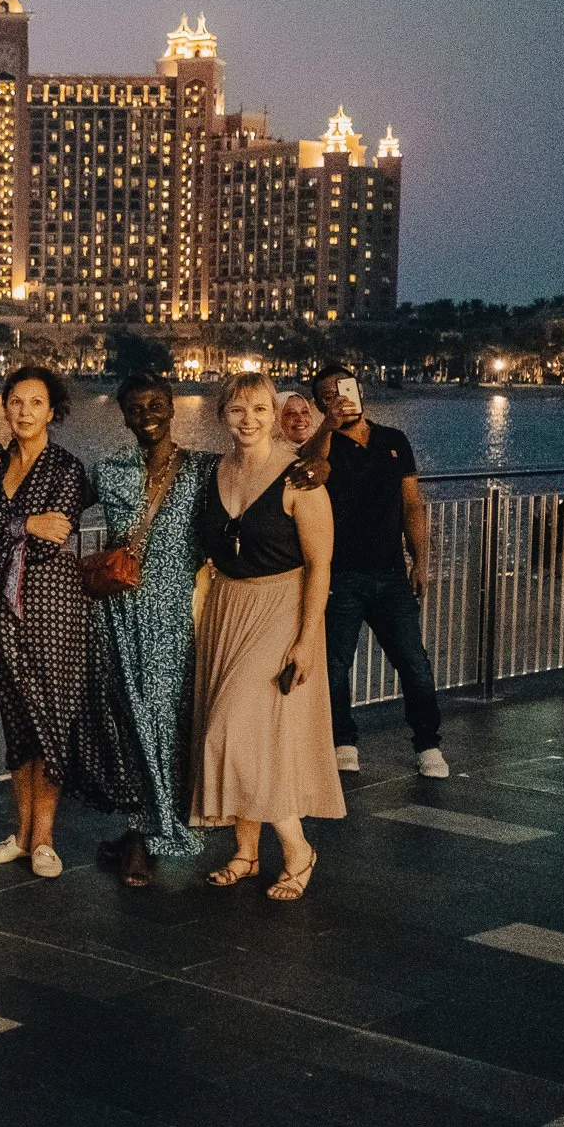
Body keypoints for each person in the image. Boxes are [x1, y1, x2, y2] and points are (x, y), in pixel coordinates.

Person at [192, 372, 343, 900]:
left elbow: (321, 565)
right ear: (222, 416)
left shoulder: (300, 478)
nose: (248, 420)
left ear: (274, 414)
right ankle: (246, 851)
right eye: (237, 410)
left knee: (232, 729)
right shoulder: (213, 473)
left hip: (281, 607)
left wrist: (307, 638)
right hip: (226, 607)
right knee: (253, 736)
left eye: (259, 409)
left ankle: (298, 849)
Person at [79, 375, 215, 887]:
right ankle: (144, 824)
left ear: (173, 408)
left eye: (156, 404)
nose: (147, 415)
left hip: (174, 612)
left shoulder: (203, 469)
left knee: (165, 715)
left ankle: (151, 829)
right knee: (128, 717)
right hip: (118, 613)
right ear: (124, 416)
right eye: (136, 408)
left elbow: (258, 485)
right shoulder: (110, 469)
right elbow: (55, 499)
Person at [0, 365, 92, 879]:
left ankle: (44, 839)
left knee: (51, 721)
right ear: (5, 407)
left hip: (53, 608)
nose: (24, 412)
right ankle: (21, 836)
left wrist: (15, 529)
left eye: (35, 403)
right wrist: (24, 523)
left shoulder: (67, 469)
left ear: (51, 411)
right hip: (2, 610)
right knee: (18, 723)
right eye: (16, 402)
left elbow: (50, 539)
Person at [311, 364, 446, 778]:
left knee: (414, 663)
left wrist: (420, 561)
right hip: (340, 577)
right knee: (335, 667)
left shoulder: (393, 440)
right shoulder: (323, 445)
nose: (339, 399)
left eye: (345, 389)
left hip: (390, 574)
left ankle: (428, 744)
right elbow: (310, 469)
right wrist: (327, 427)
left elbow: (412, 504)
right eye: (328, 396)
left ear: (360, 390)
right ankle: (343, 741)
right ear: (320, 405)